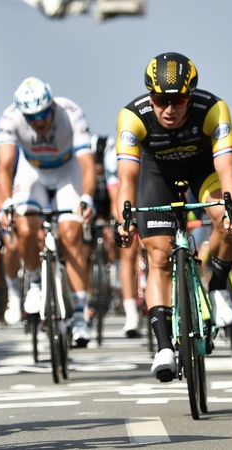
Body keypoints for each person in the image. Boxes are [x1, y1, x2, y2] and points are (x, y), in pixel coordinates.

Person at [114, 52, 232, 382]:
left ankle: (217, 285)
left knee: (227, 221)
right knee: (158, 256)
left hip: (203, 171)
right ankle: (163, 348)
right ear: (150, 96)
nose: (169, 109)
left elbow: (228, 171)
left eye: (179, 100)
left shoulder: (213, 109)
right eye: (160, 100)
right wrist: (124, 221)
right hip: (157, 175)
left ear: (191, 96)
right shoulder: (134, 116)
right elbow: (127, 178)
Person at [0, 77, 96, 347]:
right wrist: (6, 202)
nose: (39, 122)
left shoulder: (70, 113)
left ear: (52, 106)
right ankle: (38, 284)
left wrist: (87, 197)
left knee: (71, 235)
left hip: (68, 172)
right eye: (32, 117)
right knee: (25, 228)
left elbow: (87, 164)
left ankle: (79, 315)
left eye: (43, 114)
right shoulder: (11, 117)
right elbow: (5, 166)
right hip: (33, 173)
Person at [92, 134, 142, 337]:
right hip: (125, 197)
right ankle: (132, 315)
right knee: (128, 253)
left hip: (151, 191)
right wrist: (123, 223)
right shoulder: (114, 156)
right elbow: (116, 197)